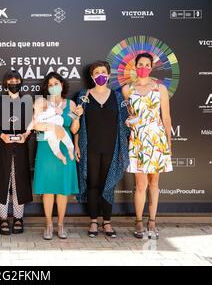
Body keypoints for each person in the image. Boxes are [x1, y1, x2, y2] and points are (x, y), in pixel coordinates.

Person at [75, 61, 130, 238]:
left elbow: (124, 123)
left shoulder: (117, 97)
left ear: (108, 74)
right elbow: (77, 123)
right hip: (89, 147)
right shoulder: (83, 96)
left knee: (109, 185)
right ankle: (93, 221)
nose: (100, 75)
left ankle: (107, 222)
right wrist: (76, 144)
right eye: (97, 72)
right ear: (91, 76)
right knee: (92, 184)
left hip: (111, 149)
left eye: (103, 72)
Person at [122, 53, 173, 239]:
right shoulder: (127, 89)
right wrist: (128, 122)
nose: (143, 66)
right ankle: (139, 222)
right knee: (141, 184)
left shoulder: (160, 89)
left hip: (157, 140)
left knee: (154, 183)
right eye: (140, 64)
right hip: (137, 140)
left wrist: (168, 143)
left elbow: (166, 117)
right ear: (135, 66)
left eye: (147, 64)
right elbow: (127, 115)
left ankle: (152, 221)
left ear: (151, 67)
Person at [32, 72, 83, 240]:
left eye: (56, 83)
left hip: (65, 145)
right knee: (48, 189)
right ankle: (48, 224)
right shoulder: (42, 103)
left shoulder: (71, 104)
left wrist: (77, 116)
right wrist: (53, 128)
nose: (54, 86)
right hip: (46, 148)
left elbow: (74, 129)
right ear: (47, 87)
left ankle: (61, 224)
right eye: (50, 84)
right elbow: (36, 125)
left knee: (62, 189)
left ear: (62, 84)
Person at [0, 70, 33, 235]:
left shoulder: (27, 102)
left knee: (18, 183)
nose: (14, 82)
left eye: (16, 80)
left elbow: (32, 124)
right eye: (10, 80)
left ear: (20, 82)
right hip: (3, 148)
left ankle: (18, 218)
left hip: (20, 148)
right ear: (5, 83)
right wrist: (2, 136)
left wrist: (25, 135)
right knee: (3, 183)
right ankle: (3, 218)